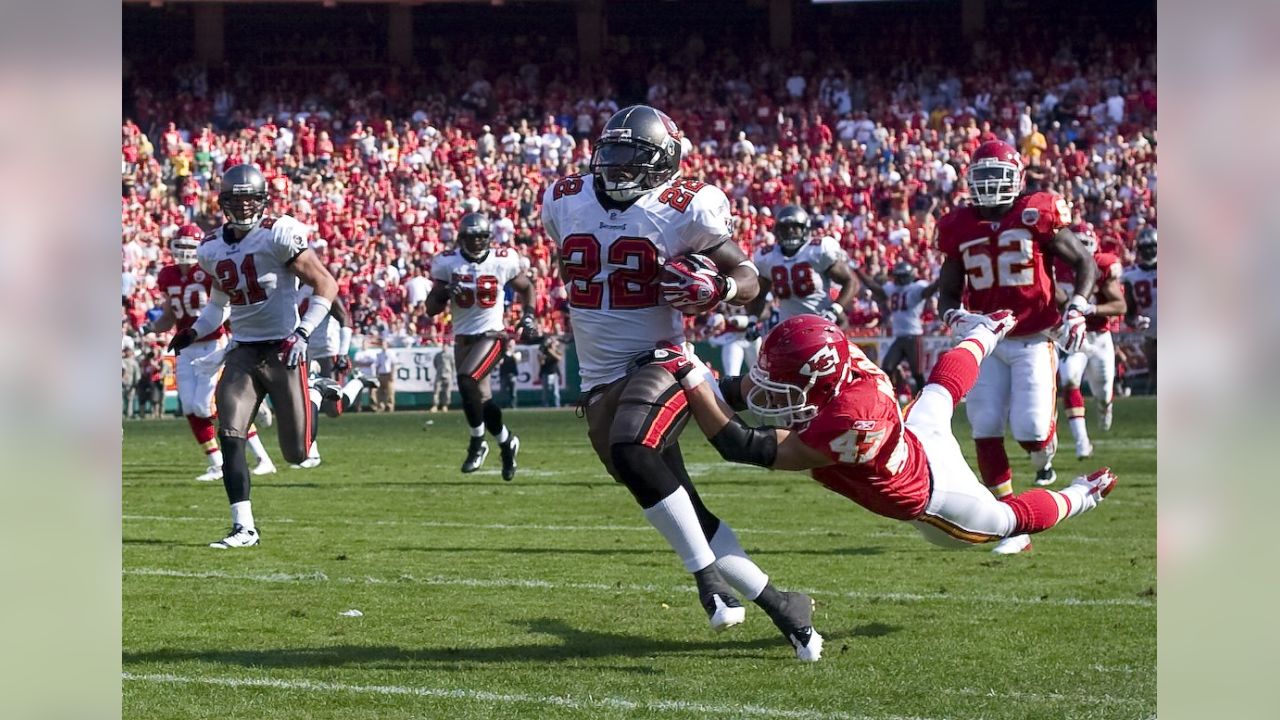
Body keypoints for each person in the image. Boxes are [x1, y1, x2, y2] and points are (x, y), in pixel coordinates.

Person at [542, 105, 821, 661]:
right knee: (676, 498)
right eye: (610, 153)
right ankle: (785, 605)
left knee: (631, 445)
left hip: (661, 359)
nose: (615, 166)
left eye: (630, 156)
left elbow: (751, 279)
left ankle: (706, 579)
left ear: (662, 163)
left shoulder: (683, 207)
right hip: (599, 378)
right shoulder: (565, 197)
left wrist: (719, 289)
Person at [643, 314, 1116, 557]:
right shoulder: (833, 368)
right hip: (910, 435)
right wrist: (699, 379)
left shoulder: (852, 414)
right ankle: (986, 332)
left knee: (1003, 522)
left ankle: (1082, 494)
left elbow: (742, 446)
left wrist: (689, 374)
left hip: (933, 497)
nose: (768, 389)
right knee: (939, 392)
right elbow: (741, 393)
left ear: (818, 381)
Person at [936, 140, 1098, 554]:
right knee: (985, 425)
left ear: (1018, 179)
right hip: (988, 339)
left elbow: (1084, 262)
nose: (990, 185)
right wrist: (957, 317)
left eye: (998, 176)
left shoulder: (1035, 213)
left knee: (1029, 430)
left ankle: (1044, 459)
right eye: (982, 176)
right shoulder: (958, 226)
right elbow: (948, 293)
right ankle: (1013, 525)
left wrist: (1076, 308)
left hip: (1033, 337)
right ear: (970, 180)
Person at [168, 164, 339, 549]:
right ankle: (244, 527)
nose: (245, 208)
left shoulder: (278, 234)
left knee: (297, 454)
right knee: (230, 432)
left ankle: (313, 392)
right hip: (243, 350)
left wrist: (302, 332)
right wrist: (193, 331)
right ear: (224, 202)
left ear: (263, 201)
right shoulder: (211, 247)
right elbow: (218, 306)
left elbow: (325, 283)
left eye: (251, 200)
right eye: (237, 200)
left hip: (283, 348)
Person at [154, 224, 276, 479]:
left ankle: (262, 457)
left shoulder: (209, 270)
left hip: (213, 343)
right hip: (185, 347)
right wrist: (149, 327)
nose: (185, 252)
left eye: (190, 246)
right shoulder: (168, 274)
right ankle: (216, 463)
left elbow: (226, 305)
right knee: (189, 405)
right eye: (181, 246)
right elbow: (168, 315)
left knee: (206, 405)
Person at [424, 212, 535, 480]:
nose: (476, 242)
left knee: (465, 378)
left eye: (481, 237)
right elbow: (430, 309)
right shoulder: (447, 263)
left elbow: (527, 287)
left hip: (493, 335)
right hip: (463, 339)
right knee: (481, 401)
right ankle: (507, 442)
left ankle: (477, 442)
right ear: (462, 238)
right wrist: (445, 292)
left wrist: (528, 315)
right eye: (472, 237)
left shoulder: (502, 260)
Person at [1054, 228, 1128, 460]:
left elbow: (1120, 306)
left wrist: (1091, 308)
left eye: (1085, 243)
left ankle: (1105, 406)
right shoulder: (1058, 265)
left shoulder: (1101, 266)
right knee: (1069, 379)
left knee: (1104, 390)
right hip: (1075, 335)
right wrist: (1067, 305)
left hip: (1099, 336)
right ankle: (1082, 442)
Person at [749, 205, 858, 336]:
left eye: (795, 227)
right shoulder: (768, 257)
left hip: (821, 325)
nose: (790, 231)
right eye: (785, 228)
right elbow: (759, 295)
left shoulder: (817, 250)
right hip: (789, 329)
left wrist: (835, 309)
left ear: (805, 228)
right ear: (777, 230)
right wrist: (752, 320)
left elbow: (851, 281)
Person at [854, 261, 939, 396]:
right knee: (887, 368)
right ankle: (886, 397)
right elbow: (873, 286)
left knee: (917, 373)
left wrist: (941, 279)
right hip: (899, 337)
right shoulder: (892, 289)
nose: (898, 280)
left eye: (901, 276)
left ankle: (924, 400)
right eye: (897, 276)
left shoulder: (917, 288)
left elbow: (929, 290)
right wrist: (857, 270)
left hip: (914, 336)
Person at [1123, 228, 1157, 395]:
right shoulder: (1131, 275)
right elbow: (1128, 314)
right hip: (1151, 333)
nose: (1149, 251)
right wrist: (1135, 321)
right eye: (1145, 248)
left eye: (1152, 246)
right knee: (1155, 375)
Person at [431, 336, 456, 412]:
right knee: (436, 390)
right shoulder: (438, 355)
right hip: (439, 374)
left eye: (446, 345)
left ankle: (445, 405)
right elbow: (435, 363)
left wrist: (452, 373)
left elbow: (453, 365)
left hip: (448, 374)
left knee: (447, 391)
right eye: (443, 345)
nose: (444, 347)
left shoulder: (450, 355)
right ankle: (435, 405)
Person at [539, 336, 563, 408]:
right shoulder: (545, 351)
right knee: (545, 392)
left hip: (554, 373)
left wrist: (551, 351)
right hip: (545, 373)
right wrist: (542, 357)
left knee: (555, 392)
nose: (552, 344)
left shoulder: (556, 351)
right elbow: (542, 363)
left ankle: (557, 405)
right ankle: (545, 405)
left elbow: (559, 358)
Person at [498, 340, 520, 409]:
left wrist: (512, 352)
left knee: (513, 392)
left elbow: (517, 360)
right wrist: (504, 353)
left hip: (512, 374)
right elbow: (500, 362)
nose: (509, 346)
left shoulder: (517, 353)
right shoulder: (502, 354)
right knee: (503, 392)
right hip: (504, 374)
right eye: (509, 344)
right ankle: (503, 405)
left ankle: (513, 405)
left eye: (511, 344)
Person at [122, 347, 141, 419]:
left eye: (128, 351)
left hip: (131, 383)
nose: (126, 353)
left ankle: (129, 414)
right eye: (125, 351)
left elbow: (137, 373)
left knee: (130, 399)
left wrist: (136, 383)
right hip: (122, 383)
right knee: (121, 400)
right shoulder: (121, 360)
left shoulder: (134, 362)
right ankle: (122, 414)